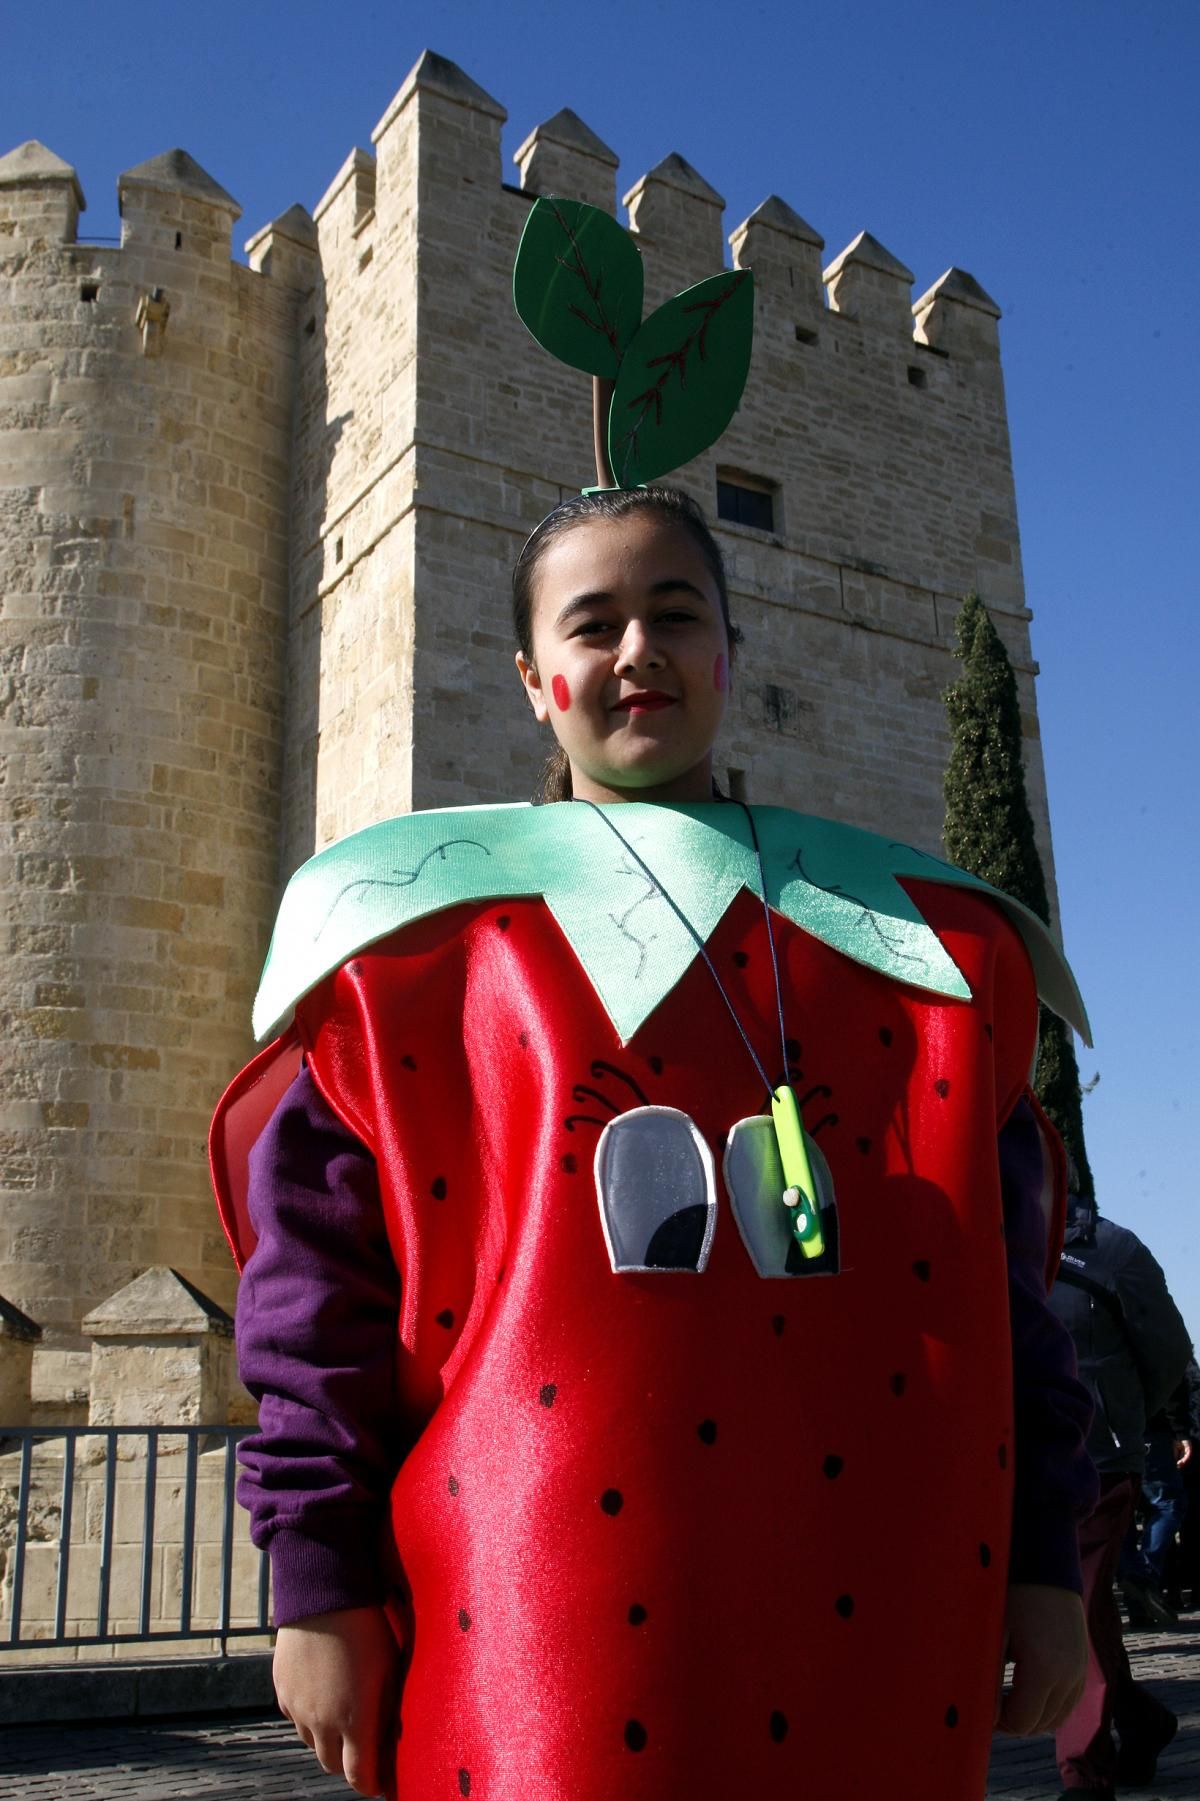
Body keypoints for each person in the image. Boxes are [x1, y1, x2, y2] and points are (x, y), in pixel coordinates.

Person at [211, 486, 1096, 1801]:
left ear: (730, 651)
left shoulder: (925, 963)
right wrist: (316, 1580)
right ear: (532, 678)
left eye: (675, 614)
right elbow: (316, 1299)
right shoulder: (404, 953)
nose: (637, 651)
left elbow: (1008, 1305)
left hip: (872, 1603)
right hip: (528, 1623)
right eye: (595, 621)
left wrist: (1045, 1566)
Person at [1048, 1184, 1192, 1795]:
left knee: (1074, 1607)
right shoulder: (995, 1246)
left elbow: (1166, 1353)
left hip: (1098, 1462)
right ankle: (1141, 1719)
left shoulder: (1114, 1250)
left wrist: (1127, 1422)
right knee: (1088, 1608)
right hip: (1013, 1459)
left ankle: (1082, 1771)